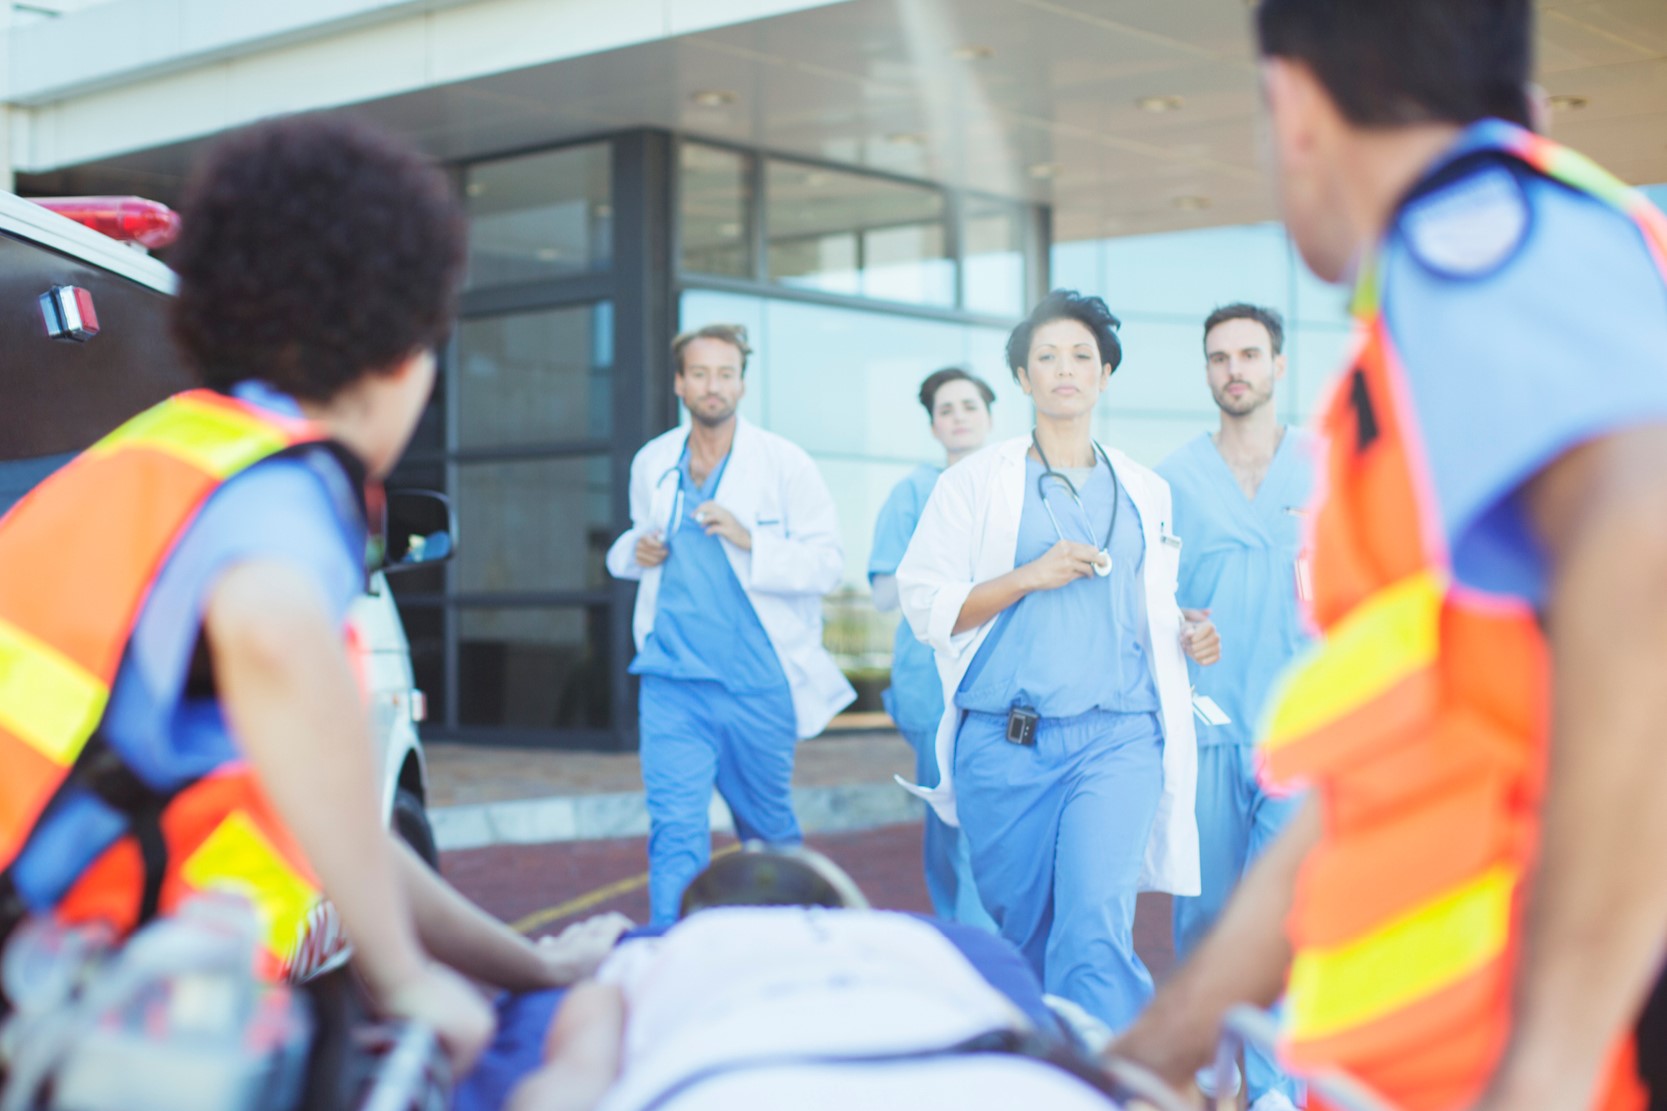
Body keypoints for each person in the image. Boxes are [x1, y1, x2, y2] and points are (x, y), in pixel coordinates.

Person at [1113, 2, 1667, 1108]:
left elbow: (1643, 563)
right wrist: (1162, 1041)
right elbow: (1399, 764)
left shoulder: (1481, 242)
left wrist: (1545, 1068)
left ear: (1295, 101)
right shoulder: (1450, 302)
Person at [0, 116, 627, 1078]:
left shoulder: (155, 461)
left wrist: (533, 964)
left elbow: (357, 842)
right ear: (404, 349)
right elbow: (273, 634)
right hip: (83, 1019)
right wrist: (401, 975)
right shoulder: (279, 482)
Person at [894, 290, 1220, 1035]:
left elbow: (1151, 605)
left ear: (1103, 374)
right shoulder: (972, 482)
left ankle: (1113, 1083)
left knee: (1094, 933)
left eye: (1080, 356)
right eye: (1045, 357)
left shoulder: (1144, 489)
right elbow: (923, 600)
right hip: (1007, 745)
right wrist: (1024, 577)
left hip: (1118, 737)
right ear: (1021, 377)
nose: (1063, 370)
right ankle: (1037, 1076)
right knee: (1023, 942)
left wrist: (1189, 632)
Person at [504, 848, 1174, 1111]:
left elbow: (563, 1090)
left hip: (732, 1085)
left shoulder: (646, 957)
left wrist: (582, 962)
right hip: (1008, 1087)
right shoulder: (931, 944)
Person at [605, 325, 855, 925]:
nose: (712, 386)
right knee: (675, 834)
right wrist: (634, 550)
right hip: (671, 681)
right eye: (699, 374)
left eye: (724, 374)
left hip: (757, 684)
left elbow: (828, 565)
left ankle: (798, 945)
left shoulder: (784, 463)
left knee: (768, 835)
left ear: (741, 382)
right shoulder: (654, 462)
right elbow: (633, 544)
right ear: (679, 383)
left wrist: (752, 540)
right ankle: (673, 960)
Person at [1158, 303, 1314, 1111]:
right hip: (1209, 730)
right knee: (1208, 916)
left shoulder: (1329, 467)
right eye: (1218, 357)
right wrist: (1179, 626)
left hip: (1300, 734)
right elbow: (1152, 606)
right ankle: (1211, 1078)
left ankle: (1280, 1088)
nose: (1234, 370)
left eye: (1248, 354)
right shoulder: (1170, 480)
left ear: (1278, 364)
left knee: (1285, 917)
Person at [868, 367, 998, 930]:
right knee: (948, 819)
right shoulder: (912, 493)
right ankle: (962, 935)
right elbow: (880, 593)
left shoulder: (1012, 483)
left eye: (969, 405)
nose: (959, 417)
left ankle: (979, 941)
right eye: (946, 409)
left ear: (990, 416)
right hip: (929, 680)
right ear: (933, 425)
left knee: (986, 819)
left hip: (999, 677)